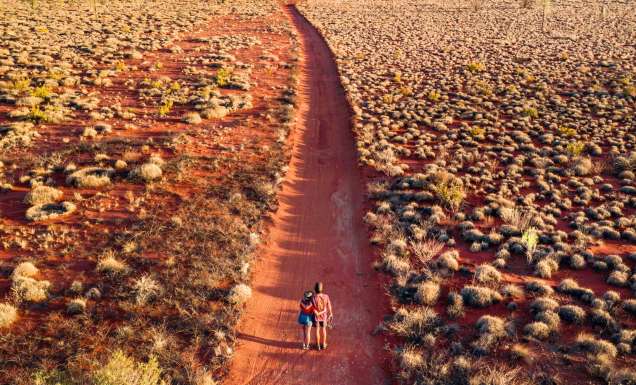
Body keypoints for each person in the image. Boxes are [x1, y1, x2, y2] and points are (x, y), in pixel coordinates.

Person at [312, 282, 333, 351]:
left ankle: (318, 345)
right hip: (324, 317)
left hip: (316, 317)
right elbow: (329, 305)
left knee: (317, 330)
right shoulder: (326, 296)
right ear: (322, 289)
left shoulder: (313, 298)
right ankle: (324, 344)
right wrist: (330, 313)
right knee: (324, 330)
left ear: (315, 289)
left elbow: (311, 308)